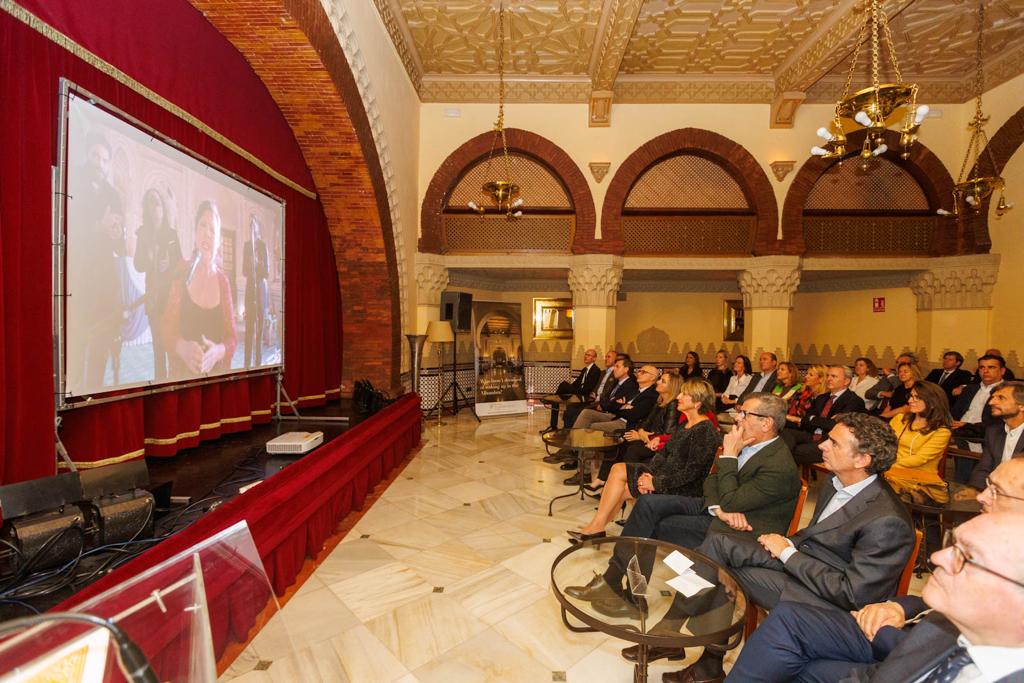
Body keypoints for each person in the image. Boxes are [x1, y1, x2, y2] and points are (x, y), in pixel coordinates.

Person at [666, 412, 914, 683]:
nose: (821, 445)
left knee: (721, 573)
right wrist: (786, 544)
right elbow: (815, 535)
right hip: (801, 566)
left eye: (833, 443)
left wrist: (787, 552)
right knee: (719, 543)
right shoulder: (836, 484)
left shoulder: (888, 520)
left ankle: (684, 647)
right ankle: (679, 640)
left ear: (862, 459)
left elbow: (853, 594)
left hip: (829, 601)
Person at [725, 508, 1024, 682]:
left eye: (967, 557)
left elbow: (853, 589)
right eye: (951, 544)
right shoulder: (947, 632)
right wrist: (899, 607)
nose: (937, 558)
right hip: (893, 648)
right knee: (795, 656)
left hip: (853, 605)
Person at [564, 394, 800, 614]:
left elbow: (730, 497)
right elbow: (711, 481)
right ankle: (613, 580)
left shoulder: (777, 463)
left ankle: (632, 597)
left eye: (744, 414)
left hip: (739, 533)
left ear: (766, 423)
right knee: (647, 505)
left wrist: (728, 456)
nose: (737, 419)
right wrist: (719, 508)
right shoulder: (748, 444)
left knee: (654, 526)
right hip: (717, 511)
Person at [568, 378, 721, 543]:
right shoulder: (686, 425)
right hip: (665, 476)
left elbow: (692, 474)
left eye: (684, 394)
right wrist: (648, 475)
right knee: (618, 470)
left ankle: (596, 529)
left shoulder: (705, 431)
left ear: (697, 403)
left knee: (625, 487)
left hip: (684, 490)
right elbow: (664, 454)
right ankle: (596, 528)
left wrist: (655, 482)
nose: (678, 397)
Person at [162, 200, 237, 377]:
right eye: (203, 226)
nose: (207, 233)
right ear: (195, 233)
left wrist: (219, 351)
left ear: (218, 241)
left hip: (215, 379)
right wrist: (181, 347)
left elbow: (232, 338)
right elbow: (166, 328)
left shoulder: (223, 282)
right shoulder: (181, 272)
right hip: (182, 380)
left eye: (213, 230)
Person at [592, 370, 683, 486]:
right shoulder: (660, 401)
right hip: (647, 435)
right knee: (617, 435)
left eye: (662, 381)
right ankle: (603, 478)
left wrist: (641, 436)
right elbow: (647, 421)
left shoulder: (673, 405)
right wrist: (639, 431)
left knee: (632, 449)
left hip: (658, 443)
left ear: (671, 387)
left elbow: (667, 434)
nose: (658, 382)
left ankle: (626, 487)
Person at [133, 187, 181, 382]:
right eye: (150, 203)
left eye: (157, 202)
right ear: (146, 208)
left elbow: (180, 264)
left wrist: (169, 264)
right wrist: (148, 257)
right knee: (158, 349)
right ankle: (161, 387)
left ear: (163, 207)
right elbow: (137, 264)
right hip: (153, 300)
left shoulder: (171, 234)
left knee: (172, 346)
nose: (154, 207)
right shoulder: (142, 233)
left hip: (171, 299)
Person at [884, 380, 953, 505]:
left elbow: (920, 459)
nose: (910, 400)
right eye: (910, 396)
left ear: (932, 403)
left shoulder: (941, 431)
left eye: (917, 397)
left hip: (922, 481)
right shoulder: (899, 419)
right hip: (892, 473)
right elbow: (884, 444)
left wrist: (885, 466)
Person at [783, 366, 867, 466]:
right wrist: (817, 420)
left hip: (831, 441)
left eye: (834, 376)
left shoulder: (854, 401)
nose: (829, 379)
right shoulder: (821, 398)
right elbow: (807, 419)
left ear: (846, 381)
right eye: (828, 376)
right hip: (811, 434)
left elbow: (835, 426)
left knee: (793, 451)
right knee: (784, 434)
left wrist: (813, 419)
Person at [955, 381, 1024, 499]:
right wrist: (974, 489)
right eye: (992, 397)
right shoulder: (993, 431)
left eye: (1001, 398)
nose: (991, 402)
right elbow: (985, 466)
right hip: (995, 495)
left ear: (1021, 406)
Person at [544, 348, 602, 432]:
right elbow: (576, 384)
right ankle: (553, 425)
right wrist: (569, 388)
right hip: (578, 392)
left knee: (563, 385)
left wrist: (568, 388)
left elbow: (588, 389)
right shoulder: (584, 370)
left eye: (589, 355)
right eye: (585, 354)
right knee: (559, 396)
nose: (585, 357)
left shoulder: (596, 371)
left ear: (594, 358)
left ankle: (551, 400)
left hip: (584, 394)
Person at [242, 214, 270, 369]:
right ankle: (246, 364)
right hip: (249, 292)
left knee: (259, 331)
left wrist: (258, 264)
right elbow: (243, 271)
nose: (252, 228)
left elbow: (266, 272)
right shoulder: (246, 246)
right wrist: (248, 264)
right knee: (248, 330)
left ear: (258, 228)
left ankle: (258, 364)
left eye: (254, 225)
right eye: (250, 226)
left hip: (260, 292)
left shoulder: (263, 245)